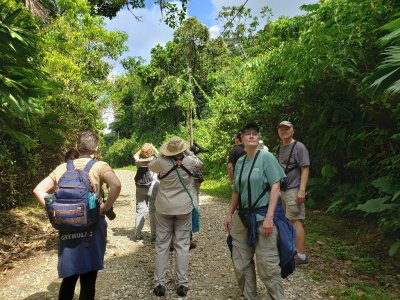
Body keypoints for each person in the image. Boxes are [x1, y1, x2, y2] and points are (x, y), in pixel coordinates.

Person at [33, 131, 121, 300]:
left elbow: (38, 190)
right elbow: (116, 185)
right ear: (96, 149)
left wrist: (55, 210)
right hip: (93, 226)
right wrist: (104, 207)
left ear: (76, 147)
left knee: (69, 277)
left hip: (68, 227)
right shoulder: (100, 166)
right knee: (89, 279)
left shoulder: (62, 167)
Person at [224, 123, 286, 300]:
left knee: (267, 267)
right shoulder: (241, 162)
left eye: (254, 133)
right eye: (247, 134)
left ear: (258, 137)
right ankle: (249, 296)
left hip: (263, 216)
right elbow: (236, 190)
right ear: (241, 138)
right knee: (240, 263)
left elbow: (276, 186)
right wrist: (229, 213)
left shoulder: (266, 157)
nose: (251, 136)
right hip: (242, 217)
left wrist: (270, 217)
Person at [148, 136, 203, 297]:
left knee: (162, 245)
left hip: (164, 206)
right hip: (183, 207)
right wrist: (188, 153)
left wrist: (162, 155)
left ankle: (159, 283)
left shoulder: (161, 162)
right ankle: (182, 284)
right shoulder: (190, 162)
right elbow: (200, 163)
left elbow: (151, 164)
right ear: (182, 149)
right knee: (182, 245)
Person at [277, 121, 310, 265]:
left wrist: (302, 190)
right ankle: (292, 251)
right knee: (287, 221)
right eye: (281, 129)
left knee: (295, 220)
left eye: (287, 129)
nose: (284, 131)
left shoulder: (299, 147)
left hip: (294, 189)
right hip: (283, 190)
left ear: (292, 130)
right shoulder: (280, 148)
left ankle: (302, 255)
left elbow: (305, 169)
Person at [133, 143, 159, 242]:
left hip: (140, 187)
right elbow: (160, 154)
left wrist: (142, 150)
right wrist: (153, 147)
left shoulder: (139, 161)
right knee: (152, 211)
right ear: (151, 151)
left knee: (140, 210)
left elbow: (135, 155)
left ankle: (137, 235)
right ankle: (154, 236)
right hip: (152, 187)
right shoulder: (154, 160)